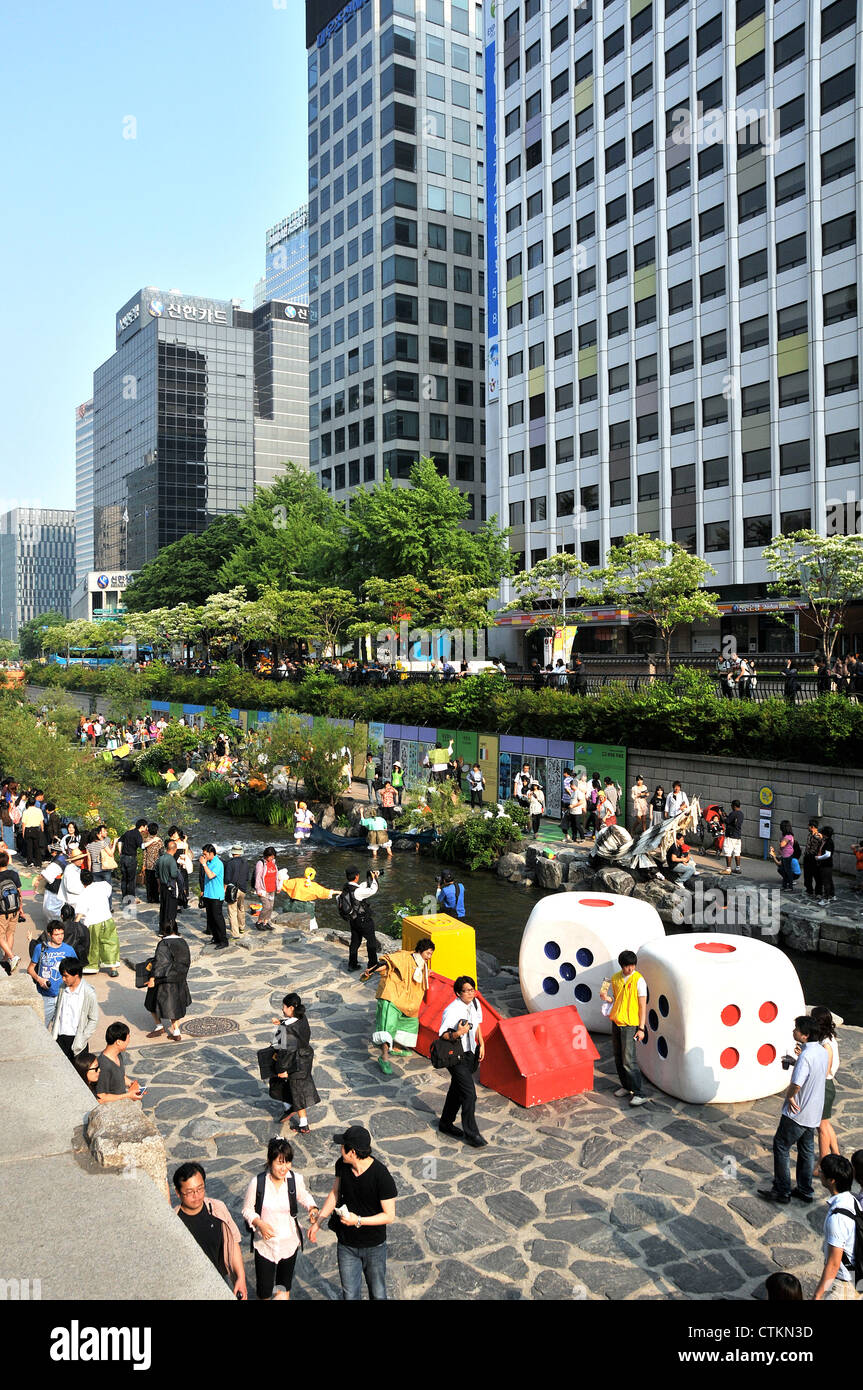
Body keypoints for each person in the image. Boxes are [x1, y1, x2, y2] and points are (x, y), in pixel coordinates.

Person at [311, 1125, 397, 1301]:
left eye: (343, 1146)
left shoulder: (381, 1175)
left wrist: (358, 1220)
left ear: (352, 1152)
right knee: (350, 1296)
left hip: (374, 1246)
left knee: (378, 1294)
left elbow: (389, 1215)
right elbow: (335, 1193)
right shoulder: (341, 1166)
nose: (340, 1149)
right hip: (347, 1245)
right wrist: (318, 1221)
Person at [758, 1015, 828, 1205]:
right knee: (806, 1150)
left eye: (796, 1028)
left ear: (804, 1035)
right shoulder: (821, 1051)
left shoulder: (806, 1056)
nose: (793, 1031)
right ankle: (805, 1190)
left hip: (797, 1112)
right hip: (813, 1112)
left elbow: (797, 1083)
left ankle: (782, 1190)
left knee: (781, 1146)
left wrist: (789, 1096)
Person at [243, 1138, 319, 1301]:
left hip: (288, 1244)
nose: (284, 1168)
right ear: (270, 1162)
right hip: (265, 1246)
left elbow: (304, 1196)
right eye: (280, 1163)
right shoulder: (258, 1183)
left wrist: (312, 1208)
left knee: (282, 1289)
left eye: (288, 1162)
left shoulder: (294, 1180)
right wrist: (259, 1223)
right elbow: (247, 1210)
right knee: (264, 1291)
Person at [173, 1162, 247, 1300]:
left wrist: (241, 1278)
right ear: (178, 1192)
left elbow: (233, 1243)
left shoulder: (218, 1209)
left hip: (219, 1280)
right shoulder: (173, 1222)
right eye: (189, 1192)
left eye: (200, 1188)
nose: (196, 1195)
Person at [362, 938, 434, 1076]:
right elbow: (386, 964)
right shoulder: (404, 957)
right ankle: (384, 1058)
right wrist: (372, 970)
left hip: (407, 1001)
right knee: (386, 1028)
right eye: (428, 953)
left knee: (409, 1022)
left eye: (431, 954)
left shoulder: (422, 965)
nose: (429, 957)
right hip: (392, 996)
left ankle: (395, 1046)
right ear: (420, 951)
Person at [437, 975, 487, 1146]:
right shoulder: (452, 1010)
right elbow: (442, 1034)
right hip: (455, 1056)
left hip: (470, 1053)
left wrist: (481, 1044)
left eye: (472, 990)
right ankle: (471, 1133)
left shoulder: (474, 1003)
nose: (471, 993)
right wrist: (458, 1033)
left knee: (457, 1089)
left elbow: (478, 1024)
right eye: (467, 991)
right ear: (458, 993)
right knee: (469, 1094)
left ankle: (445, 1123)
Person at [599, 950, 649, 1108]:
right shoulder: (615, 978)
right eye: (628, 966)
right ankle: (626, 1087)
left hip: (630, 1025)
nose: (631, 968)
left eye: (633, 965)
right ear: (622, 965)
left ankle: (639, 1093)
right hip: (616, 1021)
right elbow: (616, 998)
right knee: (618, 1056)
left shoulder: (639, 980)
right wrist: (606, 997)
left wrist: (641, 1028)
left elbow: (642, 1006)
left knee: (629, 1060)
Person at [269, 992, 320, 1132]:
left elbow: (285, 1052)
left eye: (284, 1007)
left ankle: (296, 1115)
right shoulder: (302, 1018)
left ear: (291, 1008)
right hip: (305, 1058)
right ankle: (296, 1114)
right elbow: (293, 1023)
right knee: (298, 1089)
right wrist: (280, 1022)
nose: (282, 1009)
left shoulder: (286, 1030)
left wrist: (281, 1069)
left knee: (290, 1088)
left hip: (294, 1062)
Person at [813, 1155, 861, 1301]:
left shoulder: (837, 1219)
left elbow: (834, 1264)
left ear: (831, 1180)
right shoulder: (852, 1200)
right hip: (856, 1277)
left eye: (821, 1171)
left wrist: (818, 1294)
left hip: (843, 1284)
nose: (819, 1173)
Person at [145, 920, 191, 1042]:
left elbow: (159, 963)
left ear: (164, 931)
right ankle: (176, 1031)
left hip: (164, 980)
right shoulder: (183, 942)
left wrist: (152, 978)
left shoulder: (163, 944)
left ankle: (159, 1026)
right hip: (179, 979)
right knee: (174, 1007)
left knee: (150, 1002)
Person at [27, 921, 77, 1026]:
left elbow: (76, 972)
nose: (60, 937)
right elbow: (30, 969)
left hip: (64, 996)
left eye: (62, 934)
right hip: (45, 997)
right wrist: (39, 979)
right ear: (49, 934)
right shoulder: (40, 948)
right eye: (56, 934)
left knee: (63, 1030)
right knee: (41, 1027)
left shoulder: (69, 950)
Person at [50, 959, 99, 1062]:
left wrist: (82, 1039)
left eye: (66, 976)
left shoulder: (89, 993)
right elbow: (57, 1009)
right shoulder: (62, 988)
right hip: (60, 1038)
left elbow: (93, 1019)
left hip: (77, 1041)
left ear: (76, 975)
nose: (63, 979)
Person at [811, 1007, 840, 1165]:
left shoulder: (825, 1045)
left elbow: (825, 1069)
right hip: (826, 1085)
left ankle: (823, 1163)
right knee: (825, 1123)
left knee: (821, 1127)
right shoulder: (828, 1039)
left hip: (824, 1086)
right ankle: (836, 1154)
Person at [78, 869, 120, 977]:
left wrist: (74, 924)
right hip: (107, 919)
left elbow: (80, 913)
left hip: (93, 922)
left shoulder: (84, 893)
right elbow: (109, 890)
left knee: (93, 945)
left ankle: (92, 967)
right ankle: (113, 968)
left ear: (82, 882)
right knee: (110, 943)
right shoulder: (103, 885)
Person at [339, 867, 380, 972]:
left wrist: (368, 878)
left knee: (355, 942)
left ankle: (352, 964)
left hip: (353, 919)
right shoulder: (358, 891)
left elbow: (360, 887)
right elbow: (373, 890)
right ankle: (372, 965)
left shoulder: (346, 888)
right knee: (371, 941)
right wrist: (375, 878)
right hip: (363, 920)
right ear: (357, 876)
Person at [96, 1021, 145, 1104]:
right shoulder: (104, 1064)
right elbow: (101, 1097)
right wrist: (128, 1096)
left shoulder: (118, 1054)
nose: (128, 1042)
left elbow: (121, 1076)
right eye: (128, 1038)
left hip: (121, 1101)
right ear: (118, 1042)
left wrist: (132, 1085)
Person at [278, 866, 337, 930]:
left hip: (293, 906)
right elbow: (326, 892)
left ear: (304, 874)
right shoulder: (314, 886)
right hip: (307, 909)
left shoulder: (296, 881)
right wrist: (339, 892)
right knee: (312, 925)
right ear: (313, 876)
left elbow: (283, 883)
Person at [199, 844, 229, 948]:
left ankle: (223, 940)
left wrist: (203, 864)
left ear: (211, 853)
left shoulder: (218, 863)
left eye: (205, 854)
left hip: (216, 895)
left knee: (218, 918)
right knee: (211, 919)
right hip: (208, 894)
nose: (203, 856)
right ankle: (216, 938)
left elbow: (211, 875)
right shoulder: (208, 862)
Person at [0, 851, 23, 974]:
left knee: (0, 935)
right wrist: (21, 907)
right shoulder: (13, 874)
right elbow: (19, 892)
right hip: (14, 909)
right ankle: (6, 959)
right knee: (10, 934)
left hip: (2, 911)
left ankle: (11, 956)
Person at [115, 818, 147, 902]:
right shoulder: (137, 835)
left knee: (124, 878)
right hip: (131, 858)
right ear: (142, 826)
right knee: (131, 879)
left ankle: (124, 897)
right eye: (145, 827)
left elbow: (119, 840)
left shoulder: (128, 832)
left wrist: (120, 851)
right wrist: (153, 841)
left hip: (123, 857)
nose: (146, 828)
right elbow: (142, 846)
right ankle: (131, 898)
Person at [223, 844, 250, 938]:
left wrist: (224, 889)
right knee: (241, 908)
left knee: (232, 912)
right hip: (243, 889)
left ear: (232, 853)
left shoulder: (229, 863)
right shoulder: (245, 863)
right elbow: (247, 877)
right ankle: (242, 927)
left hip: (232, 890)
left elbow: (227, 879)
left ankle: (235, 934)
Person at [156, 837, 180, 936]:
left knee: (163, 908)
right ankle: (169, 930)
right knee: (171, 910)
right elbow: (174, 874)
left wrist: (158, 885)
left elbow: (156, 874)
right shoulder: (172, 860)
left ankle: (162, 930)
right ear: (174, 849)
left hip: (162, 885)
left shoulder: (160, 859)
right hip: (170, 887)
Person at [253, 847, 279, 931]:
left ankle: (266, 922)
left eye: (273, 856)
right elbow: (258, 877)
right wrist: (258, 889)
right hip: (263, 889)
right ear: (266, 855)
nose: (271, 858)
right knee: (266, 906)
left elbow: (276, 876)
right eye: (269, 856)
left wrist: (278, 887)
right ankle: (259, 922)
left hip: (272, 889)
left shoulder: (273, 863)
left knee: (271, 907)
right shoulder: (261, 863)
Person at [768, 820, 798, 892]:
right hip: (784, 855)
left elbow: (782, 844)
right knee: (784, 871)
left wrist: (781, 842)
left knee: (788, 871)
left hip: (788, 855)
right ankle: (784, 885)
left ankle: (790, 886)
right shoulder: (784, 836)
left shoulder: (789, 836)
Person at [141, 823, 163, 904]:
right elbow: (161, 853)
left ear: (148, 831)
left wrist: (144, 865)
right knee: (157, 882)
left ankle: (150, 898)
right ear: (156, 831)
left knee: (149, 882)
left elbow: (145, 854)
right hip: (157, 864)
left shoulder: (146, 840)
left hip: (148, 864)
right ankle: (156, 898)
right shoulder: (159, 840)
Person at [815, 825, 836, 905]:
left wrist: (818, 858)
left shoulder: (829, 842)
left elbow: (828, 854)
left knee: (826, 882)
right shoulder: (825, 840)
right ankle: (832, 895)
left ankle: (826, 899)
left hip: (826, 865)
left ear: (825, 834)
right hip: (826, 864)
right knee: (829, 880)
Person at [802, 819, 823, 898]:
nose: (807, 827)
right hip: (807, 856)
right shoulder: (809, 834)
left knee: (817, 875)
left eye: (809, 826)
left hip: (814, 857)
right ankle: (809, 890)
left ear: (812, 827)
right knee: (807, 875)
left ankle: (818, 892)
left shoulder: (819, 836)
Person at [722, 800, 744, 874]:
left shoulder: (733, 813)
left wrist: (721, 815)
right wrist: (727, 816)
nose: (731, 807)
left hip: (730, 836)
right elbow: (733, 821)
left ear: (734, 806)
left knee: (728, 851)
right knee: (737, 852)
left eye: (731, 805)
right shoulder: (741, 814)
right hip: (738, 836)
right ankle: (738, 868)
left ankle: (728, 869)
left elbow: (727, 821)